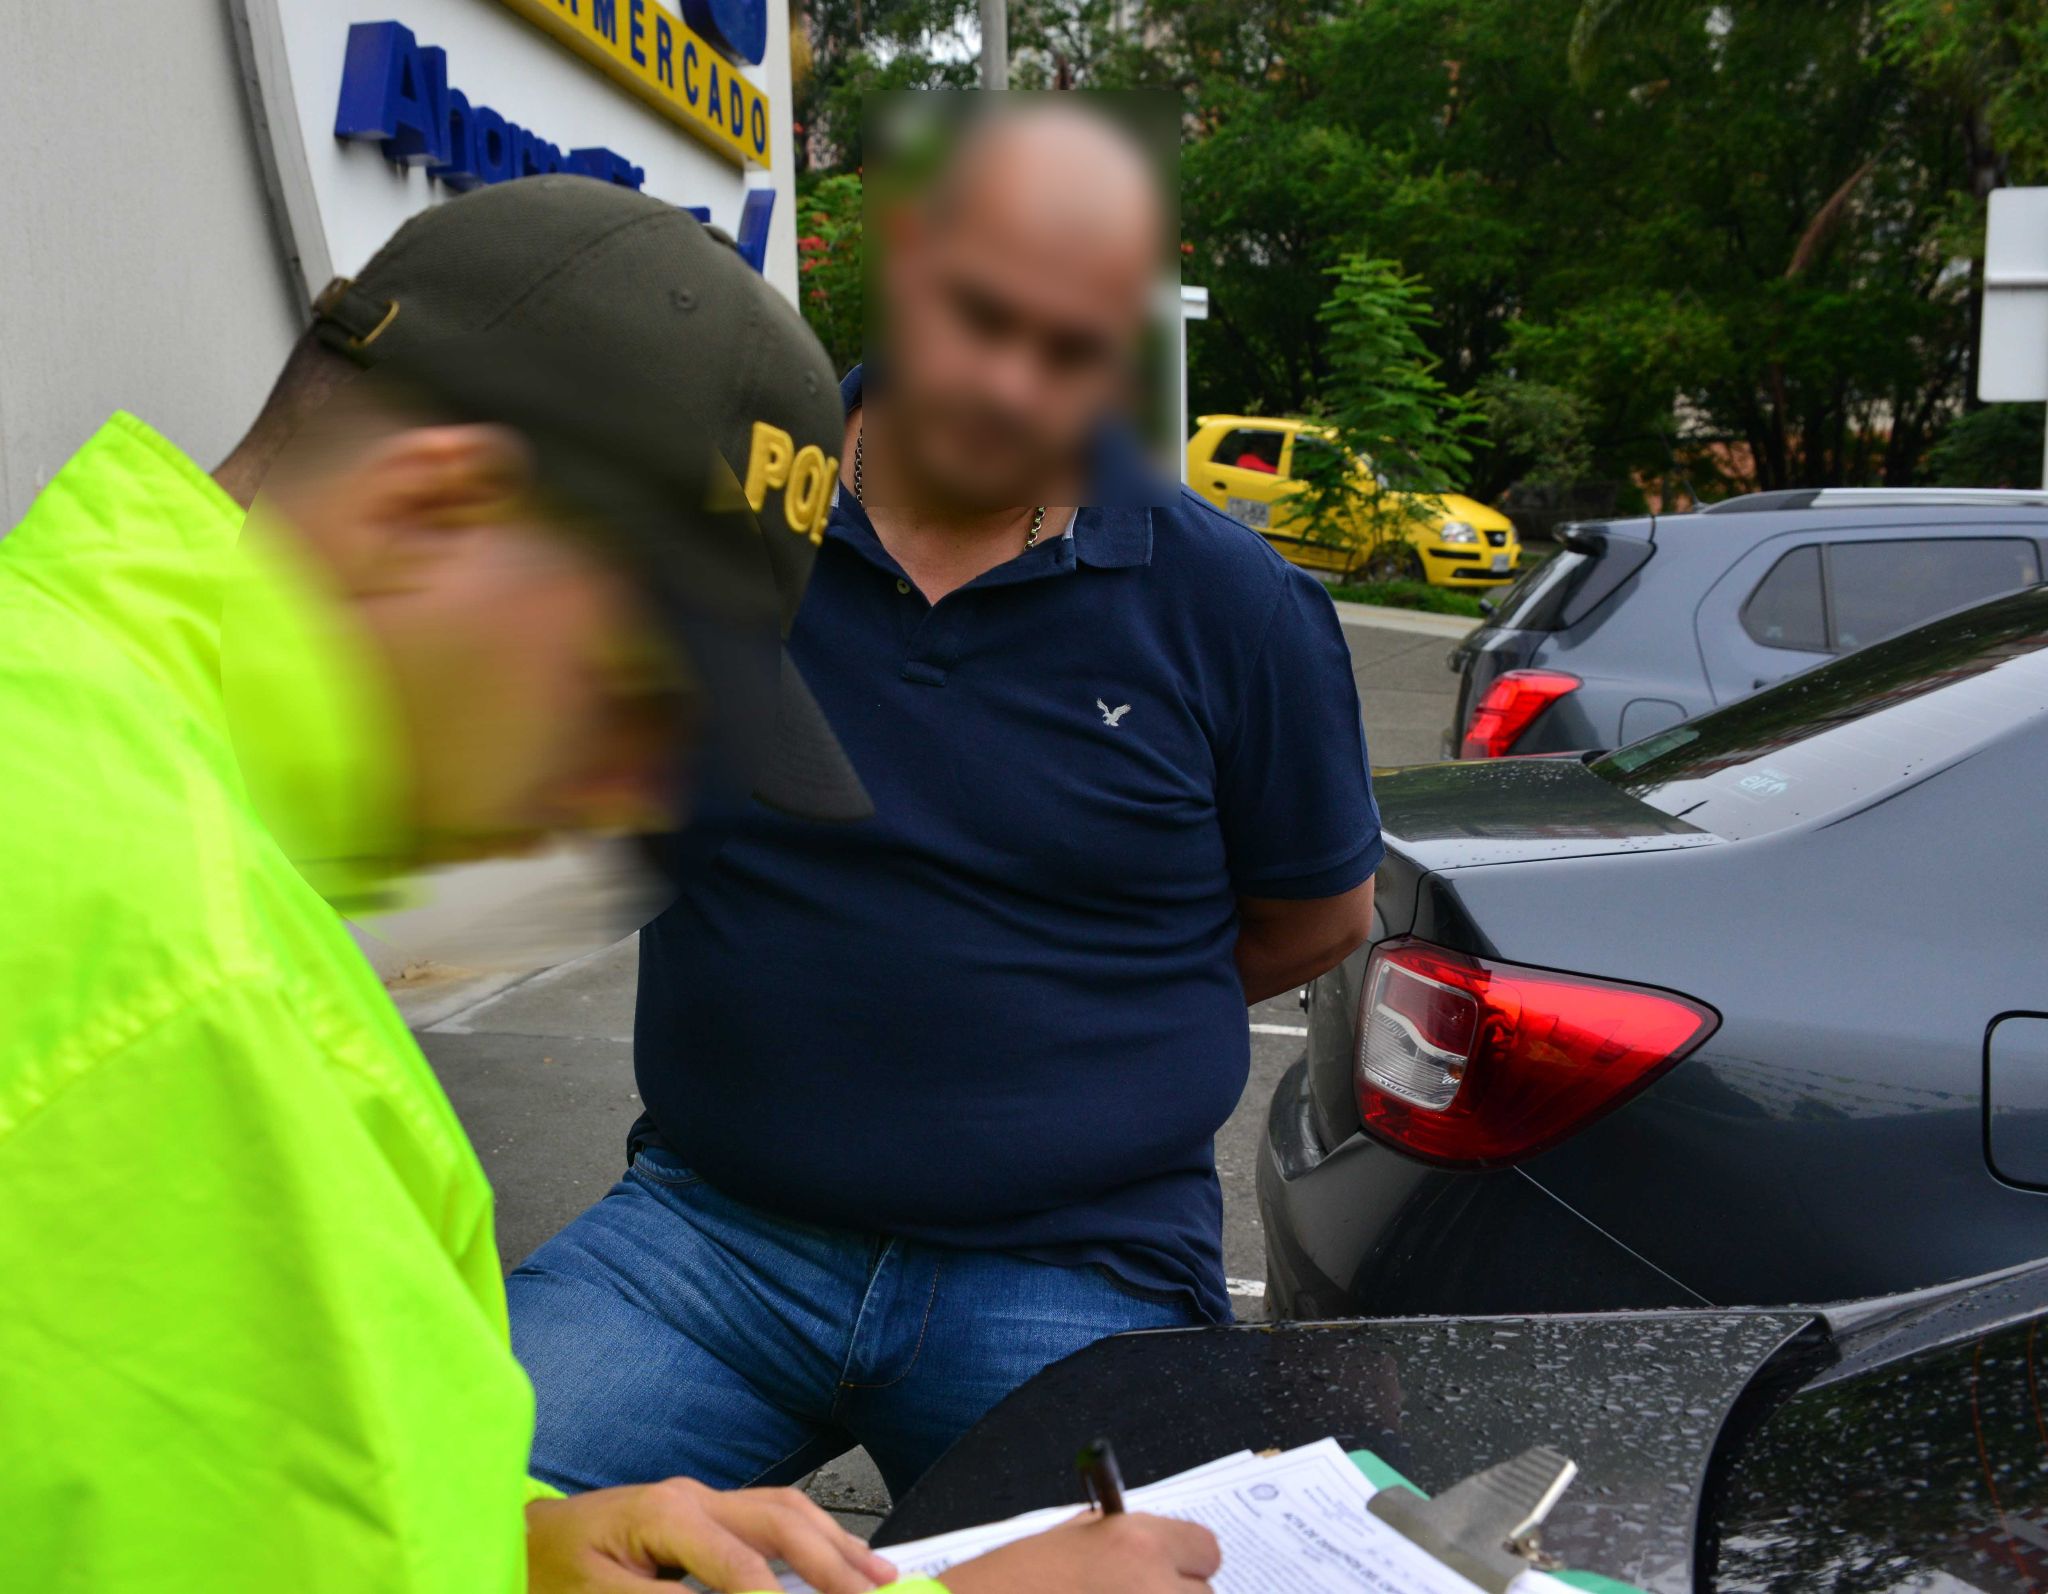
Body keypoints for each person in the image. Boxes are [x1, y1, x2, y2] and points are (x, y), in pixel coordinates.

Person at [0, 175, 1219, 1594]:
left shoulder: (84, 751)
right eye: (627, 697)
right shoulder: (191, 989)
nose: (626, 794)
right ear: (429, 513)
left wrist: (501, 1537)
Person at [509, 101, 1384, 1498]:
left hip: (1077, 1269)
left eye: (1077, 350)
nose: (1021, 386)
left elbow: (1316, 916)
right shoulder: (720, 521)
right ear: (905, 258)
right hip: (712, 1237)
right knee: (408, 1509)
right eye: (984, 319)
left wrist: (1080, 1010)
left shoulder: (1233, 607)